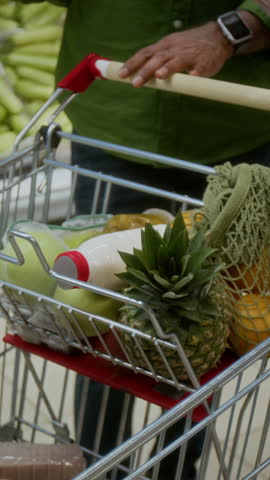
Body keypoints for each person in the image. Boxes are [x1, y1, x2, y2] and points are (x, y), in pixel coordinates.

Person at [19, 1, 270, 479]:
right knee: (95, 316)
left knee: (207, 320)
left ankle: (178, 466)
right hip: (114, 109)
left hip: (235, 129)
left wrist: (233, 28)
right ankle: (99, 462)